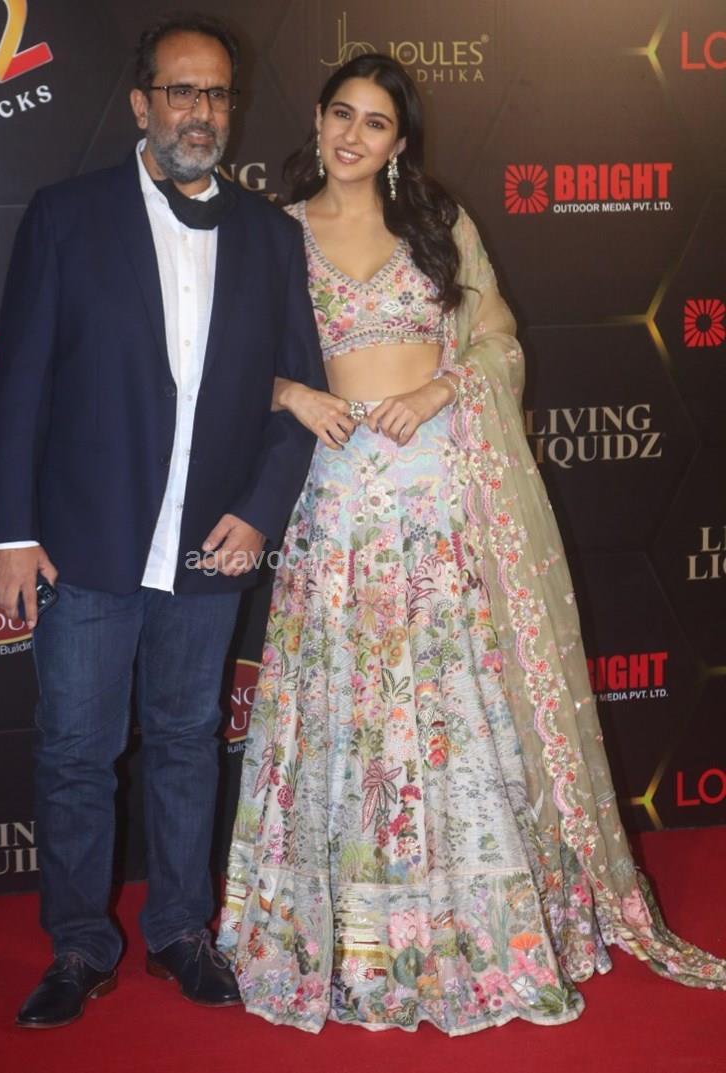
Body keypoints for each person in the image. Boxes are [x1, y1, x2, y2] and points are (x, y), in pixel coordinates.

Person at [217, 54, 726, 1034]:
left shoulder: (437, 225)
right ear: (317, 120)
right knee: (351, 707)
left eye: (375, 122)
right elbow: (227, 362)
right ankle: (350, 939)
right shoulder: (276, 233)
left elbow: (498, 339)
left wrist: (438, 389)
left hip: (440, 497)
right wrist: (292, 394)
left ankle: (478, 930)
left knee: (451, 704)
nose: (353, 136)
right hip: (339, 508)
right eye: (340, 114)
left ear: (400, 141)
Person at [0, 14, 325, 1029]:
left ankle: (181, 930)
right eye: (180, 91)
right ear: (142, 104)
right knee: (75, 752)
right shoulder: (66, 215)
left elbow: (298, 396)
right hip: (86, 541)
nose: (199, 111)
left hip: (210, 545)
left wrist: (259, 513)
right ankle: (79, 944)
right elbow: (20, 385)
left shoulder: (272, 236)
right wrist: (11, 532)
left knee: (186, 740)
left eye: (215, 93)